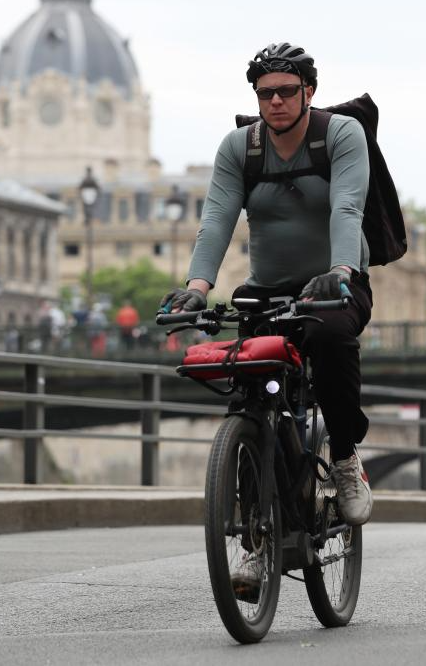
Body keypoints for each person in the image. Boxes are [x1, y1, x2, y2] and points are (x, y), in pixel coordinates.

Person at [159, 42, 374, 537]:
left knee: (331, 338)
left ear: (309, 92)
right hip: (267, 291)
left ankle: (343, 459)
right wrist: (197, 287)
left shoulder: (340, 135)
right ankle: (257, 532)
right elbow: (216, 219)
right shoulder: (239, 149)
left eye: (285, 91)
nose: (275, 102)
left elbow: (346, 207)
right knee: (250, 381)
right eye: (264, 94)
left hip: (336, 285)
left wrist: (341, 270)